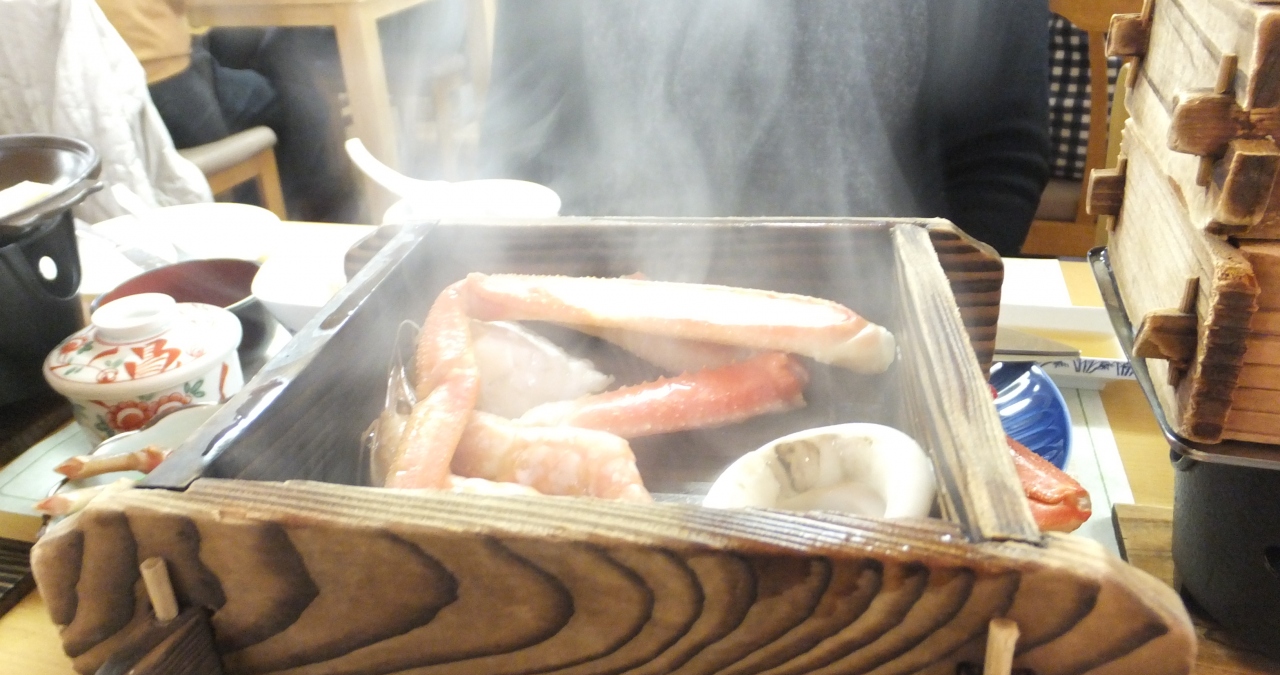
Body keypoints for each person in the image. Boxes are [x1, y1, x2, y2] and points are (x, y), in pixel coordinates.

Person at [478, 1, 1050, 257]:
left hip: (883, 313)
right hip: (607, 304)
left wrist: (935, 320)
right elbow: (523, 144)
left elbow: (996, 153)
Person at [94, 0, 360, 222]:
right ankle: (308, 217)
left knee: (272, 75)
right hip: (162, 75)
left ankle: (289, 211)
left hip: (114, 87)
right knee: (301, 107)